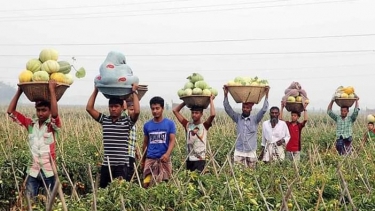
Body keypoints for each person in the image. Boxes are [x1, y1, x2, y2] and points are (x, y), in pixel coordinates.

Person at [7, 80, 60, 199]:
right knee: (30, 202)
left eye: (44, 110)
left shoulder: (51, 126)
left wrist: (51, 89)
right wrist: (20, 91)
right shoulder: (30, 124)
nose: (40, 113)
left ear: (49, 111)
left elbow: (55, 115)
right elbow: (10, 112)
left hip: (49, 171)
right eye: (38, 110)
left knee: (49, 203)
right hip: (33, 171)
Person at [86, 84, 140, 188]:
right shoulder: (104, 120)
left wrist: (134, 92)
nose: (113, 109)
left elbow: (137, 111)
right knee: (104, 192)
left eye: (116, 106)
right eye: (111, 107)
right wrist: (96, 90)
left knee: (119, 193)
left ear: (122, 108)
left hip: (121, 166)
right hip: (107, 165)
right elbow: (89, 108)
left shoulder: (127, 121)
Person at [223, 86, 269, 168]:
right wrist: (225, 94)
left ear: (251, 109)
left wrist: (267, 94)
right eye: (243, 107)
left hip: (251, 151)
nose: (245, 109)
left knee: (251, 173)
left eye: (247, 108)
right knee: (238, 171)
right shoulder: (237, 118)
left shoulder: (255, 119)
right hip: (239, 150)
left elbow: (264, 109)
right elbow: (227, 109)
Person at [172, 95, 215, 172]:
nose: (194, 115)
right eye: (192, 112)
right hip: (189, 158)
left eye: (196, 113)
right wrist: (186, 101)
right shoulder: (188, 125)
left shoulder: (204, 126)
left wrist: (211, 100)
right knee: (189, 180)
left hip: (200, 159)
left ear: (201, 114)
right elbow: (175, 111)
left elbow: (212, 115)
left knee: (198, 180)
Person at [141, 96, 176, 188]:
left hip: (164, 159)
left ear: (163, 108)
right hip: (150, 158)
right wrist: (143, 160)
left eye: (157, 108)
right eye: (153, 109)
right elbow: (145, 143)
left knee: (164, 185)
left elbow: (172, 140)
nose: (155, 111)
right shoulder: (147, 125)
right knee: (146, 184)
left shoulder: (170, 124)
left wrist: (167, 154)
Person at [123, 99, 141, 181]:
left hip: (131, 155)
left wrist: (136, 151)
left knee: (130, 177)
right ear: (126, 110)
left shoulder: (133, 124)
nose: (133, 112)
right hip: (124, 155)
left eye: (134, 110)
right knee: (124, 178)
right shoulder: (124, 120)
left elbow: (133, 139)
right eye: (131, 110)